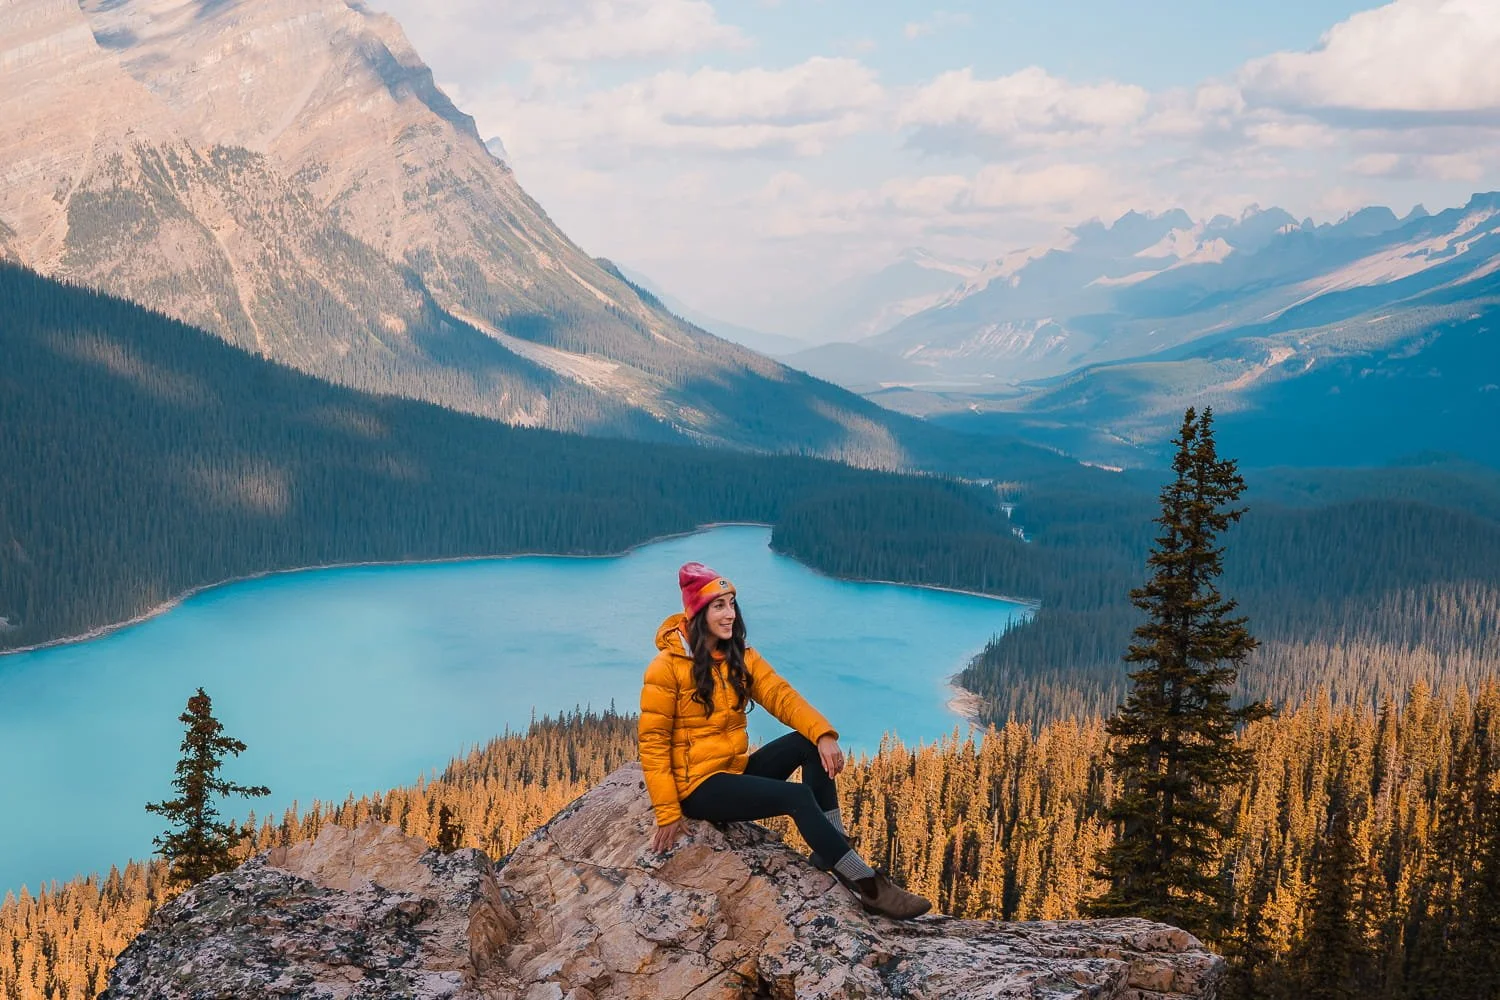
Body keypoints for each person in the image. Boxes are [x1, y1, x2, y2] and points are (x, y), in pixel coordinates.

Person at [638, 562, 931, 920]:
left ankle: (832, 848)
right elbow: (653, 742)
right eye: (719, 606)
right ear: (698, 612)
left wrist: (822, 733)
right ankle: (867, 884)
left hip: (734, 771)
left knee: (806, 742)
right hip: (698, 788)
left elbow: (781, 696)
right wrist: (668, 812)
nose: (730, 614)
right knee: (797, 797)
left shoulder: (739, 656)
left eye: (732, 604)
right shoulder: (666, 668)